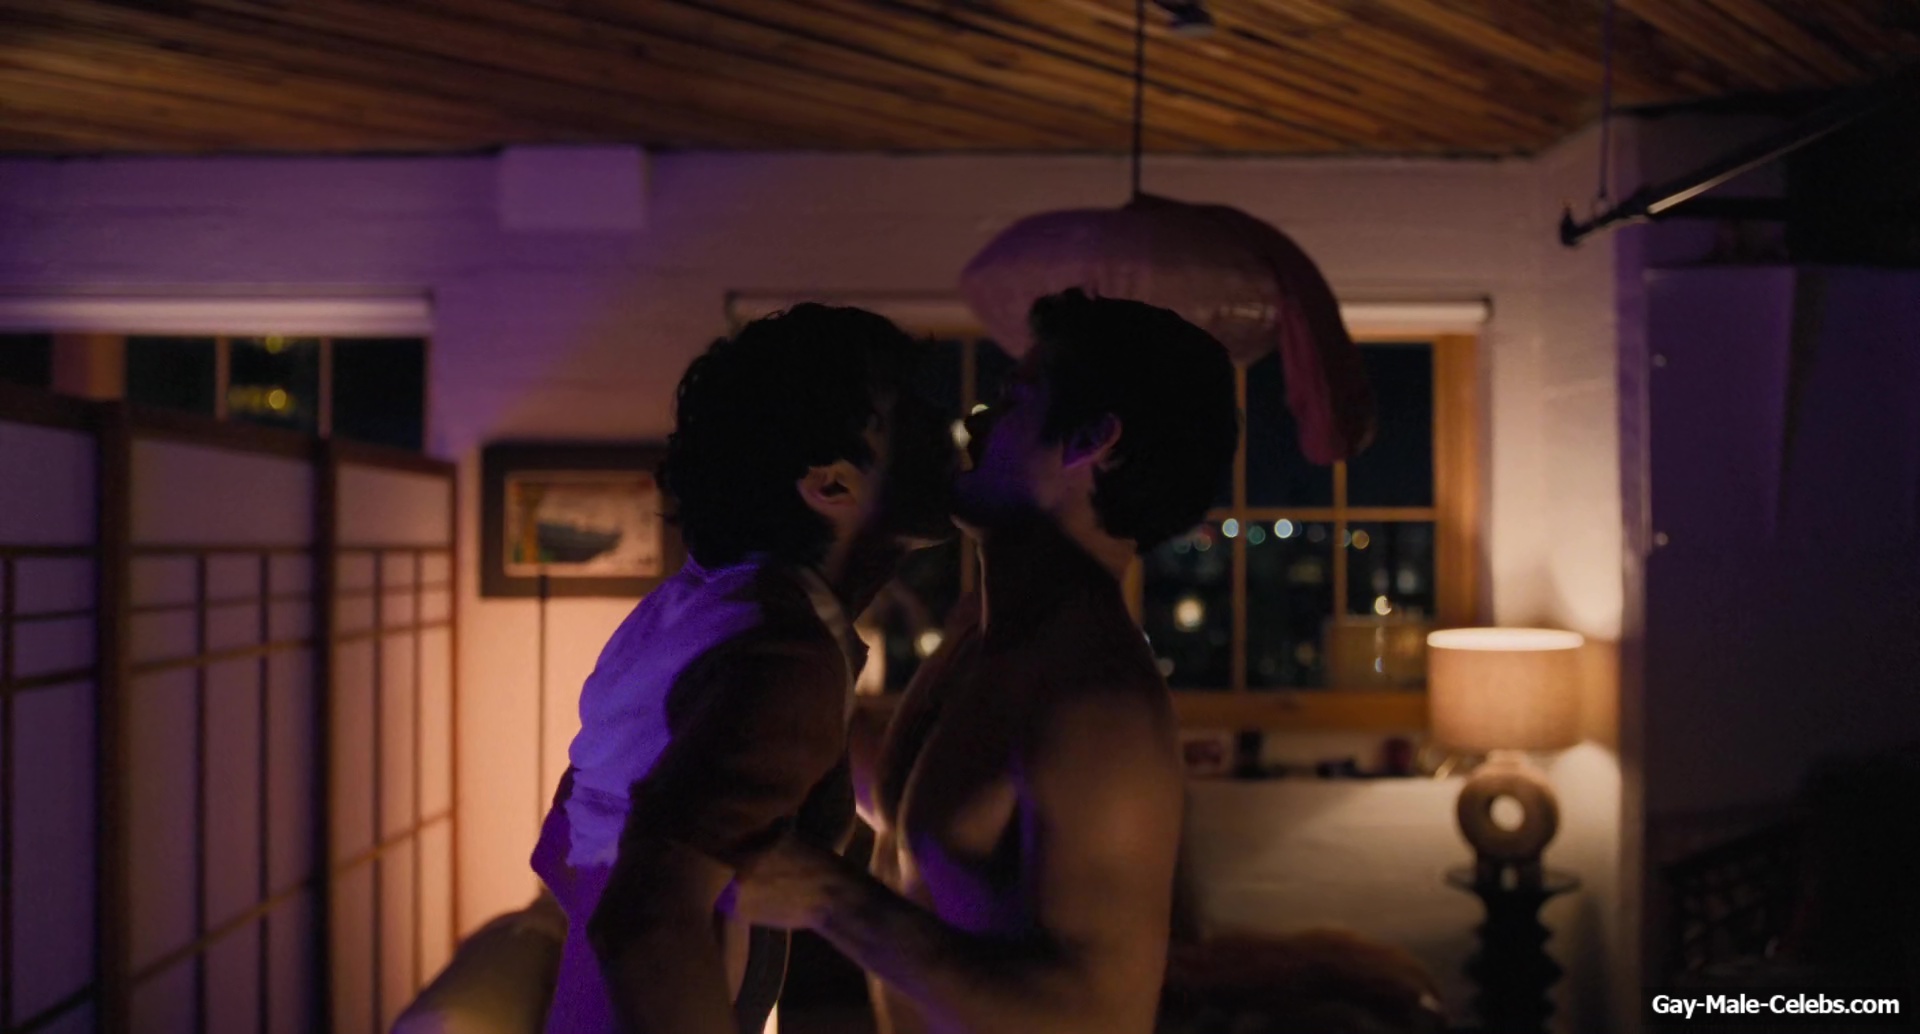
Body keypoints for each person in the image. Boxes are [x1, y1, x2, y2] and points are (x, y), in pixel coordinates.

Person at [724, 290, 1241, 1034]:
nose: (980, 419)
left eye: (1014, 397)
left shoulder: (1098, 700)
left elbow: (1097, 1017)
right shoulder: (984, 631)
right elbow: (929, 819)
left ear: (1091, 440)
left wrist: (829, 898)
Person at [532, 303, 956, 1034]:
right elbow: (646, 922)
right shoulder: (784, 655)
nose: (942, 430)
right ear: (831, 485)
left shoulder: (698, 607)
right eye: (908, 415)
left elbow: (561, 846)